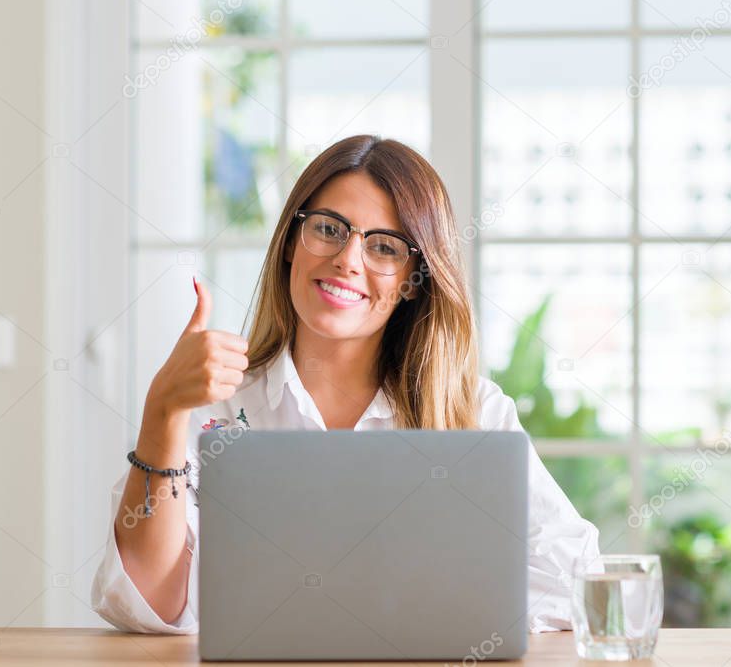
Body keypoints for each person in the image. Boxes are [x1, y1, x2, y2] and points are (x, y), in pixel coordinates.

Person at [91, 134, 600, 634]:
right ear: (292, 242)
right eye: (330, 229)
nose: (348, 260)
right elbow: (148, 602)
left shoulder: (472, 412)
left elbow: (576, 573)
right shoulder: (214, 406)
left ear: (409, 279)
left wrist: (417, 613)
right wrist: (163, 410)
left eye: (384, 247)